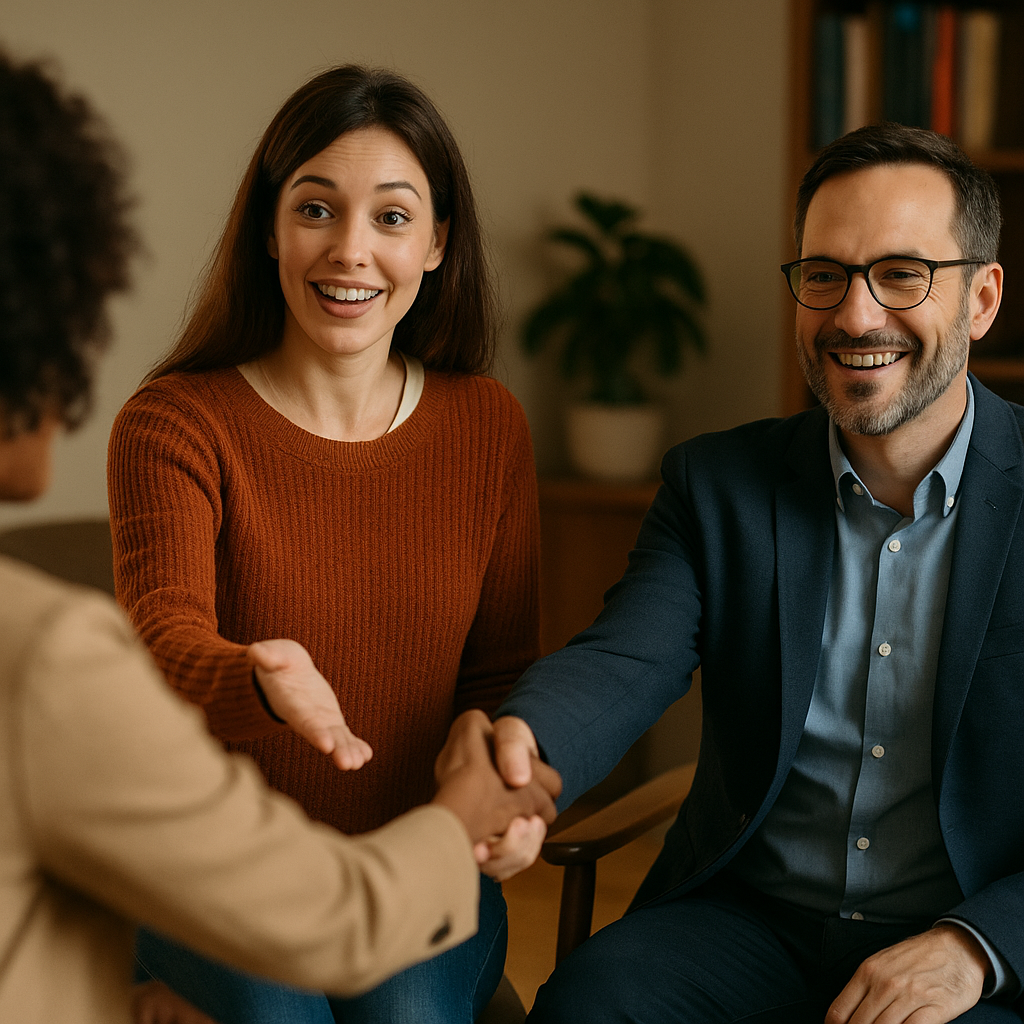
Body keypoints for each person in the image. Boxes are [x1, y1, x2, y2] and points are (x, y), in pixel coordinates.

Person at [0, 49, 561, 1024]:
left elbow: (501, 675)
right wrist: (255, 674)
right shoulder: (173, 421)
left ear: (436, 243)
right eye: (314, 208)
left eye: (390, 216)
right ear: (268, 227)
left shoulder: (488, 426)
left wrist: (511, 791)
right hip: (223, 858)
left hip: (426, 843)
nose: (350, 248)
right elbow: (165, 639)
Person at [442, 122, 1024, 1023]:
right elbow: (623, 661)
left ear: (982, 298)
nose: (856, 315)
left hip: (959, 939)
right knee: (588, 1008)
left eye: (902, 274)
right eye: (824, 274)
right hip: (745, 920)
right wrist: (528, 747)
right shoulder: (717, 485)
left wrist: (977, 947)